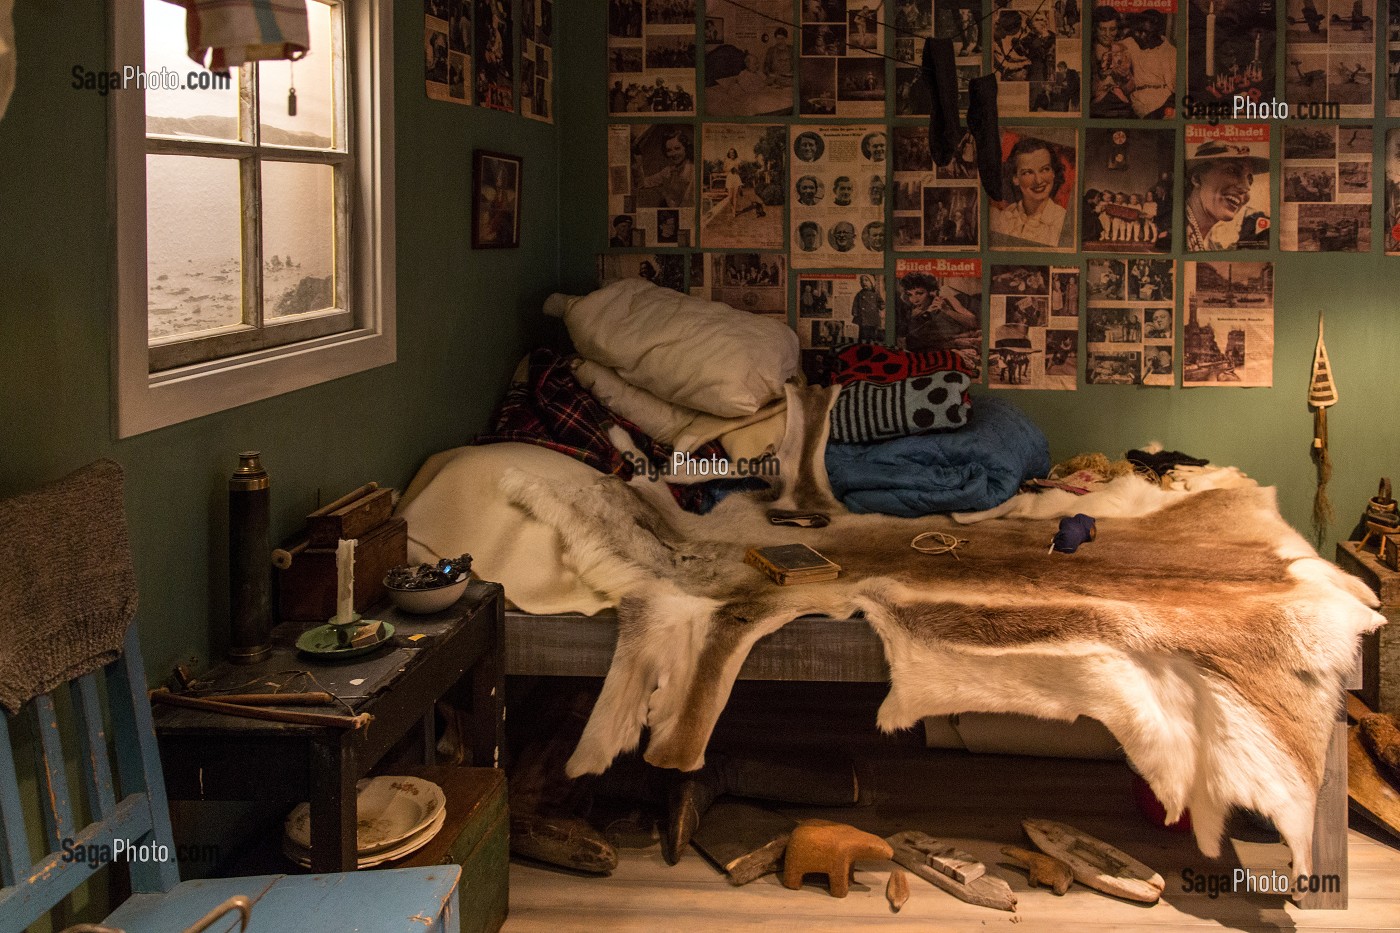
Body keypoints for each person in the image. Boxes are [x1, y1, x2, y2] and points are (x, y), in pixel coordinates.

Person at [1183, 140, 1269, 250]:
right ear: (1197, 178)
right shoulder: (1179, 232)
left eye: (1249, 179)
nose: (1246, 188)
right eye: (1232, 170)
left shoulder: (1207, 244)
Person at [992, 136, 1069, 248]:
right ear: (1015, 178)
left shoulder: (1063, 221)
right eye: (1028, 172)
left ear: (1053, 172)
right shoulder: (1004, 219)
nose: (1038, 180)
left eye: (1045, 169)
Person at [900, 271, 981, 359]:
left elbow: (973, 322)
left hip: (960, 341)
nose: (915, 300)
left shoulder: (944, 297)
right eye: (910, 294)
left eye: (919, 293)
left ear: (931, 291)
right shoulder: (909, 308)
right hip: (935, 349)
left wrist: (946, 310)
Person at [1121, 10, 1176, 118]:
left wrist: (1159, 113)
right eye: (1138, 31)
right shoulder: (1130, 44)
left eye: (1146, 32)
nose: (1140, 36)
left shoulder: (1171, 52)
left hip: (1164, 102)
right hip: (1138, 102)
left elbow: (1178, 92)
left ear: (1159, 31)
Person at [635, 130, 694, 208]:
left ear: (685, 148)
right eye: (669, 150)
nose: (673, 154)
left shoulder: (693, 171)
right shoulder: (668, 171)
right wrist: (639, 164)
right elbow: (643, 183)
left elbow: (688, 204)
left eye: (677, 148)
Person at [851, 274, 884, 342]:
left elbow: (881, 302)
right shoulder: (859, 294)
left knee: (873, 334)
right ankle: (862, 346)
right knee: (863, 334)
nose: (864, 282)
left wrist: (881, 306)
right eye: (862, 281)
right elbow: (855, 303)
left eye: (866, 280)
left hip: (873, 317)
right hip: (863, 318)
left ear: (871, 283)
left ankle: (872, 344)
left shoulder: (875, 294)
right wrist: (855, 312)